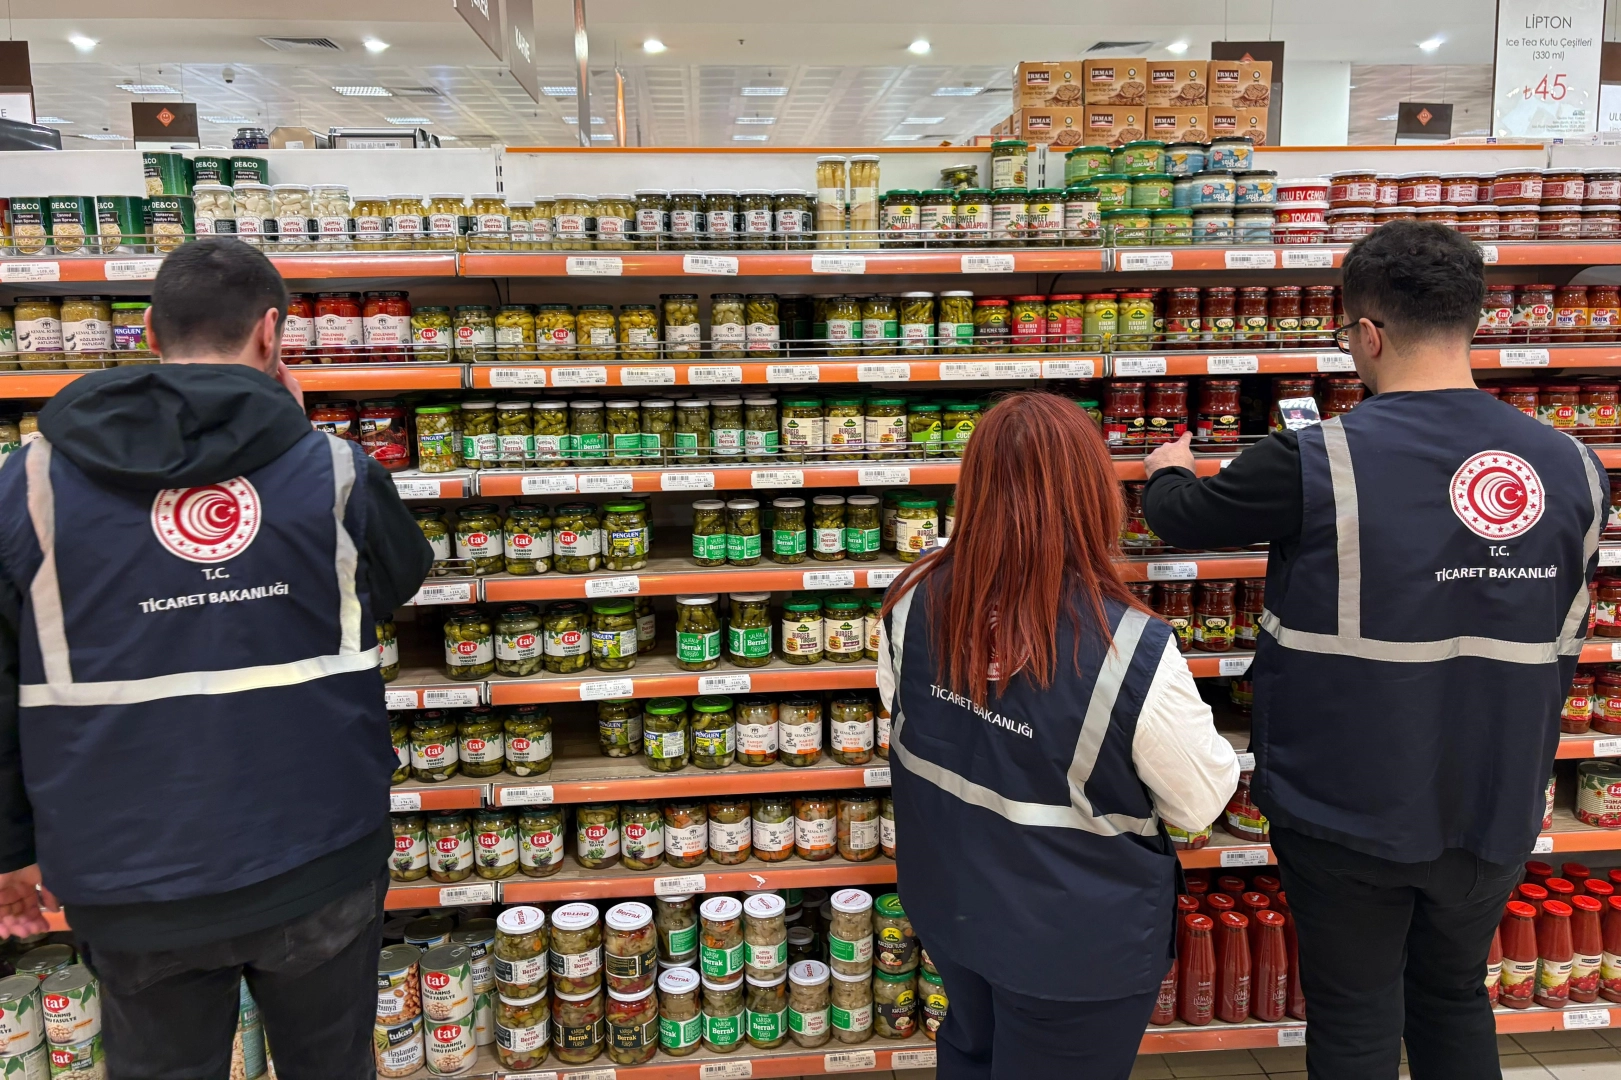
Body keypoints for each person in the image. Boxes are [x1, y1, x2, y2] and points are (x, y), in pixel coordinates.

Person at [1141, 221, 1607, 1080]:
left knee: (1354, 1014)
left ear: (1366, 333)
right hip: (1497, 800)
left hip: (1348, 806)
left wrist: (1166, 465)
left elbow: (1180, 517)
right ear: (1473, 321)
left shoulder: (1317, 457)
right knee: (1452, 995)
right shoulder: (1573, 466)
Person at [0, 239, 434, 1079]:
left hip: (127, 872)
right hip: (317, 850)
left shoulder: (27, 484)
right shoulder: (333, 469)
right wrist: (295, 438)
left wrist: (9, 848)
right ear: (272, 333)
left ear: (149, 332)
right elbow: (394, 583)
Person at [878, 391, 1238, 1080]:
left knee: (970, 1054)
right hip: (1073, 946)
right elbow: (1199, 802)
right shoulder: (1127, 645)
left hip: (951, 905)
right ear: (1093, 496)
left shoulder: (913, 595)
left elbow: (909, 717)